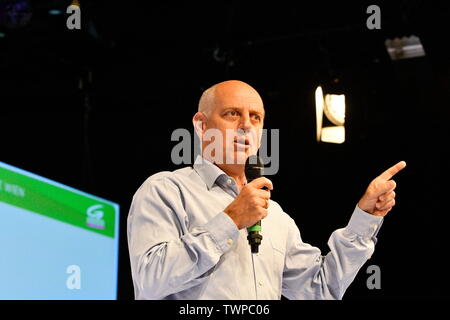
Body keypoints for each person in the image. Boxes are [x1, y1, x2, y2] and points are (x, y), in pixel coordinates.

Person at [127, 80, 406, 299]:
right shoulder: (165, 190)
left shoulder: (274, 214)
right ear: (202, 125)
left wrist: (365, 218)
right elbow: (151, 280)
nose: (246, 125)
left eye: (256, 117)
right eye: (232, 114)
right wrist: (230, 219)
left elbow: (320, 290)